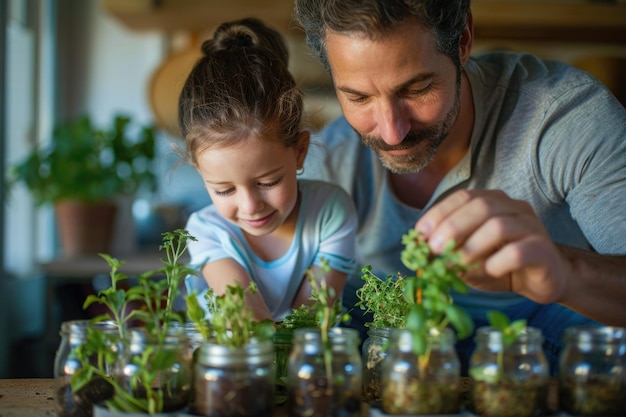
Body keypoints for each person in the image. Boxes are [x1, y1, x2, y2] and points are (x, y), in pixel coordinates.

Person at [293, 0, 626, 373]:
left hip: (539, 338)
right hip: (386, 341)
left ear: (463, 40)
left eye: (417, 88)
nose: (391, 132)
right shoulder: (330, 157)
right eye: (359, 98)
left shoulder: (565, 119)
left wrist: (565, 272)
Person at [177, 17, 358, 322]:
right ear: (200, 173)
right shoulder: (206, 231)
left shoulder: (330, 212)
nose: (250, 206)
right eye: (224, 189)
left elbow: (309, 322)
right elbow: (251, 320)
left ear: (299, 151)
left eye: (268, 181)